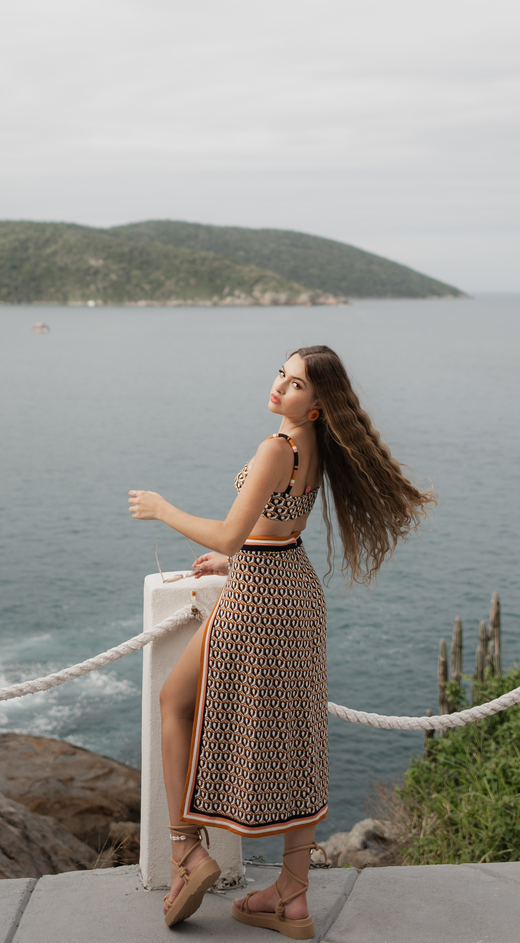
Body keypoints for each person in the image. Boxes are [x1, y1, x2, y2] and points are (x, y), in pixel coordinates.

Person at [129, 345, 434, 937]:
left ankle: (185, 849)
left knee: (174, 702)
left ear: (316, 406)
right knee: (298, 736)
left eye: (295, 384)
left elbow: (229, 531)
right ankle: (292, 897)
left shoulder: (277, 447)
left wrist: (163, 509)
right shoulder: (314, 445)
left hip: (259, 597)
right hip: (294, 587)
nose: (279, 386)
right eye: (282, 374)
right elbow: (278, 523)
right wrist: (233, 558)